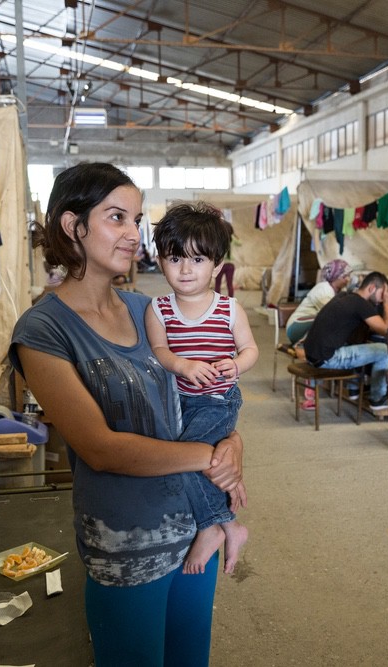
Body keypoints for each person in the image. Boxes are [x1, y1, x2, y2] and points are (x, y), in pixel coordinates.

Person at [9, 163, 246, 667]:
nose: (132, 234)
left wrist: (233, 444)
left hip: (192, 536)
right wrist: (210, 457)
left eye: (136, 220)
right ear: (73, 226)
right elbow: (100, 448)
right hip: (125, 548)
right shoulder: (44, 331)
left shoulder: (150, 309)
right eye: (116, 217)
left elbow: (207, 397)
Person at [145, 202, 258, 576]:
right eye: (175, 258)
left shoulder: (229, 309)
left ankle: (213, 526)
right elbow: (160, 351)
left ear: (216, 263)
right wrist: (182, 364)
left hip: (218, 401)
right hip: (178, 403)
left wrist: (236, 364)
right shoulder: (158, 309)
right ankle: (230, 526)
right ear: (160, 261)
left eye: (197, 259)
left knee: (184, 459)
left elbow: (251, 350)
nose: (186, 269)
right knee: (192, 461)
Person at [302, 271, 388, 412]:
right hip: (327, 358)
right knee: (386, 350)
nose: (382, 298)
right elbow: (387, 331)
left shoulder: (344, 296)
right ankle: (377, 399)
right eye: (382, 293)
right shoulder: (360, 304)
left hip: (312, 354)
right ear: (371, 288)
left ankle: (353, 390)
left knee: (360, 344)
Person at [284, 258, 352, 345]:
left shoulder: (340, 291)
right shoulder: (323, 289)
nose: (348, 279)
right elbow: (333, 313)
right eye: (345, 276)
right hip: (295, 327)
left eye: (349, 276)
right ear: (336, 277)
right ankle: (302, 347)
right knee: (328, 317)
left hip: (309, 327)